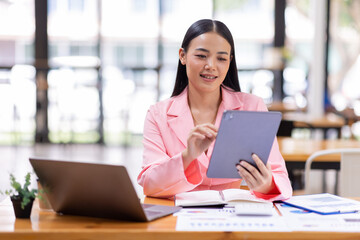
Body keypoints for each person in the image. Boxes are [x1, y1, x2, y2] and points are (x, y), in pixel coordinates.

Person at [137, 19, 292, 200]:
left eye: (221, 58)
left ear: (229, 61)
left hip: (231, 216)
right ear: (183, 56)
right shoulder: (158, 114)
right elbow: (149, 184)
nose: (211, 65)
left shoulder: (252, 106)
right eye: (201, 56)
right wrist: (187, 156)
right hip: (176, 218)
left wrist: (266, 185)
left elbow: (281, 178)